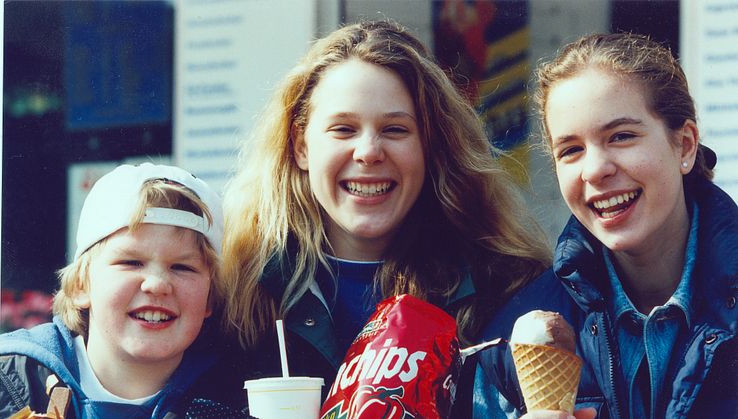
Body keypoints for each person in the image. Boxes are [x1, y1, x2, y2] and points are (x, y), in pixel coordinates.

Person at [194, 20, 551, 411]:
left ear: (430, 146)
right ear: (301, 147)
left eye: (395, 129)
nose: (368, 152)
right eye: (343, 129)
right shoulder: (232, 292)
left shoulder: (505, 289)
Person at [473, 33, 738, 419]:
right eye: (572, 150)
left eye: (622, 136)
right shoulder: (512, 342)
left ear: (684, 145)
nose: (595, 170)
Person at [0, 163, 225, 418]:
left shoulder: (235, 399)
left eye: (182, 267)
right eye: (131, 262)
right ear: (79, 286)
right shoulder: (6, 385)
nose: (157, 284)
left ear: (210, 298)